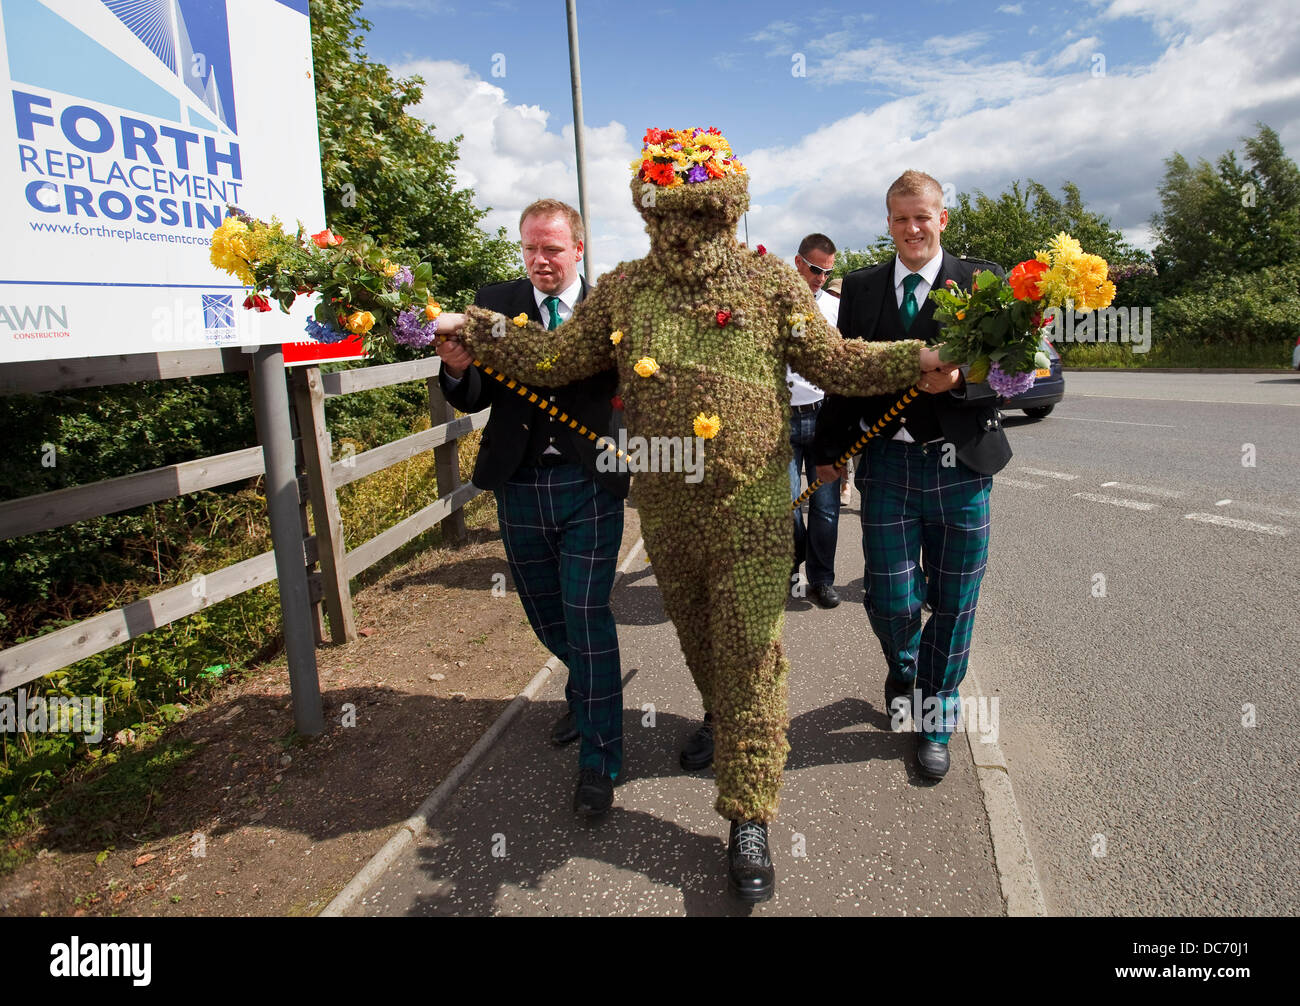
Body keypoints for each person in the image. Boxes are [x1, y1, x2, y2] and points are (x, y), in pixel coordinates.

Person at [436, 129, 950, 903]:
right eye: (673, 217)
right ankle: (726, 723)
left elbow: (835, 361)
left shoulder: (771, 283)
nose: (689, 234)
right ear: (650, 213)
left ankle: (748, 814)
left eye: (706, 217)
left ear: (729, 212)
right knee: (703, 644)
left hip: (750, 511)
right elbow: (552, 358)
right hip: (668, 515)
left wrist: (915, 359)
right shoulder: (624, 291)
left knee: (748, 655)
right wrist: (475, 330)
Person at [814, 170, 1012, 781]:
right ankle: (904, 668)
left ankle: (934, 715)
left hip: (962, 468)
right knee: (891, 597)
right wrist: (831, 452)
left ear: (942, 219)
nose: (912, 229)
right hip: (889, 466)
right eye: (900, 219)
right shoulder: (865, 288)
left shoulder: (984, 283)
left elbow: (1021, 371)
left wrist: (963, 379)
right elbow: (846, 377)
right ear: (889, 223)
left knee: (954, 602)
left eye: (922, 216)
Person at [435, 199, 629, 819]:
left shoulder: (611, 311)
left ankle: (601, 761)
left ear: (578, 249)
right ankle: (589, 685)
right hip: (518, 479)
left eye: (552, 249)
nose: (540, 261)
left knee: (586, 611)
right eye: (529, 249)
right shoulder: (494, 301)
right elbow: (474, 393)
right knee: (544, 611)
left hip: (591, 482)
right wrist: (457, 370)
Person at [787, 233, 844, 609]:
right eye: (814, 269)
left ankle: (821, 579)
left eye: (826, 272)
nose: (820, 278)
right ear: (798, 262)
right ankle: (793, 563)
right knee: (786, 504)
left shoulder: (837, 309)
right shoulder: (774, 304)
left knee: (825, 506)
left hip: (824, 418)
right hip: (782, 420)